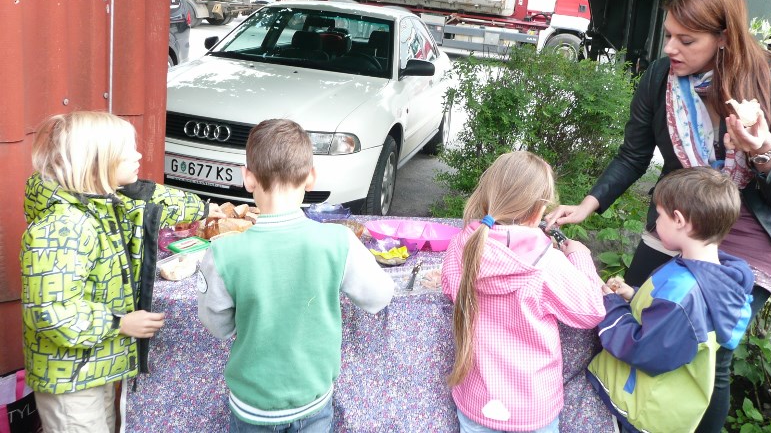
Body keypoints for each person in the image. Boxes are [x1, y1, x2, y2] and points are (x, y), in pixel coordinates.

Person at [546, 0, 771, 431]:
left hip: (747, 230)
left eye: (687, 39)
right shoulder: (661, 78)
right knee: (635, 316)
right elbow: (633, 154)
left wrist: (762, 152)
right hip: (680, 218)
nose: (671, 49)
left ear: (724, 38)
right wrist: (587, 205)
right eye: (668, 35)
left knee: (709, 355)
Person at [197, 118, 394, 432]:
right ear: (311, 177)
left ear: (247, 178)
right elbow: (379, 296)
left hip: (252, 409)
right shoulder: (339, 242)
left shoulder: (221, 253)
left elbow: (219, 327)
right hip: (313, 404)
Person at [20, 111, 208, 433]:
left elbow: (157, 202)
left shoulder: (103, 203)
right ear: (97, 162)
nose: (139, 155)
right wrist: (120, 323)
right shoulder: (64, 227)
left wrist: (205, 209)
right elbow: (52, 312)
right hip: (71, 379)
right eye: (127, 151)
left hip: (93, 366)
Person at [441, 151, 606, 433]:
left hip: (475, 403)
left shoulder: (463, 245)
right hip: (532, 410)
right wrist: (579, 257)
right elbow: (591, 310)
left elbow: (450, 288)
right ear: (538, 211)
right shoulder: (546, 263)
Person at [587, 167, 754, 433]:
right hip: (666, 403)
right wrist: (633, 295)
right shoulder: (712, 275)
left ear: (678, 219)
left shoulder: (686, 295)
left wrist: (612, 306)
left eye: (660, 215)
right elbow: (673, 320)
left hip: (642, 410)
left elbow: (645, 350)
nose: (655, 223)